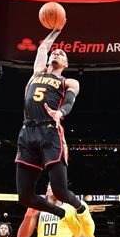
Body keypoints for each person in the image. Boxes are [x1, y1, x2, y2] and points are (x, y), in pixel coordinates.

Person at [15, 27, 89, 223]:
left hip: (50, 131)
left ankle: (81, 208)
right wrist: (56, 30)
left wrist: (60, 112)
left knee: (60, 191)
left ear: (65, 63)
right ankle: (61, 215)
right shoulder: (36, 73)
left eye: (61, 53)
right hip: (27, 132)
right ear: (48, 59)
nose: (56, 52)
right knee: (24, 197)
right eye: (54, 52)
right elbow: (42, 48)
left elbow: (69, 101)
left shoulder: (69, 82)